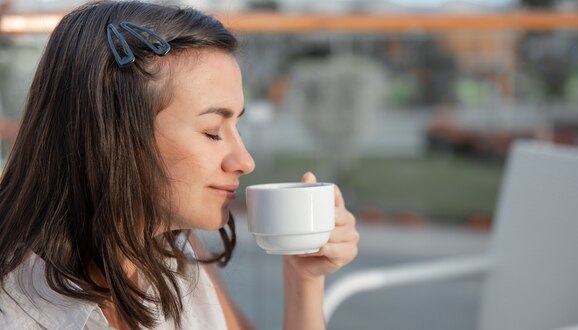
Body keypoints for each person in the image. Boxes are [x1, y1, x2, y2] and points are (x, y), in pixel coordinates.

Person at [0, 1, 359, 329]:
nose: (245, 161)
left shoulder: (174, 253)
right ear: (117, 135)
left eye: (237, 126)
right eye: (212, 131)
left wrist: (304, 279)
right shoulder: (20, 312)